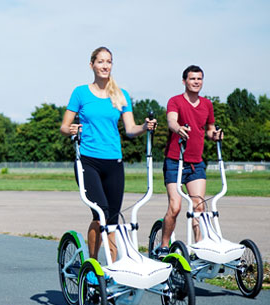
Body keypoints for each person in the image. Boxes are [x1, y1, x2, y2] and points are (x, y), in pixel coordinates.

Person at [60, 46, 157, 262]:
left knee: (112, 219)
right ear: (92, 65)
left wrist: (144, 126)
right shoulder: (80, 93)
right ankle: (92, 264)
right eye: (101, 61)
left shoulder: (120, 95)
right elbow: (64, 127)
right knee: (101, 212)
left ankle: (113, 270)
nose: (105, 65)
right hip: (88, 161)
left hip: (114, 162)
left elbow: (130, 129)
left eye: (109, 62)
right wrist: (72, 129)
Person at [157, 65, 223, 257]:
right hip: (175, 162)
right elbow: (171, 121)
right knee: (175, 207)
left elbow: (209, 129)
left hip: (196, 163)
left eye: (199, 79)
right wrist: (178, 129)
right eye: (193, 79)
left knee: (199, 206)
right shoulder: (175, 101)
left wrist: (216, 135)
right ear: (185, 81)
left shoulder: (207, 105)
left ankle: (200, 248)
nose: (196, 82)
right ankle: (163, 245)